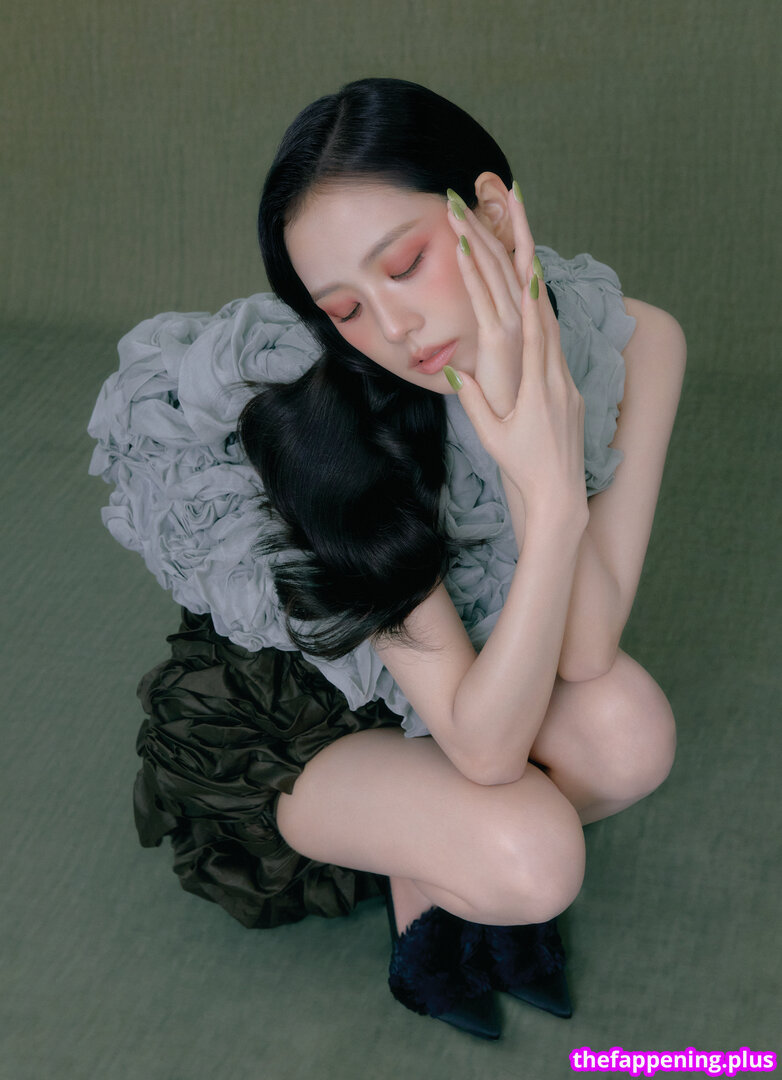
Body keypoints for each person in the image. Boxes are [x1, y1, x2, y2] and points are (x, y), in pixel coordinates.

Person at [87, 77, 685, 1041]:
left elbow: (584, 650)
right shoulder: (320, 413)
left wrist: (538, 450)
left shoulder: (638, 342)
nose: (394, 331)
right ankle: (429, 870)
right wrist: (543, 494)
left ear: (492, 213)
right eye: (346, 309)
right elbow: (486, 750)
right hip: (297, 714)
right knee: (534, 858)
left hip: (481, 683)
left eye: (405, 265)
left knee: (630, 731)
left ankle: (433, 849)